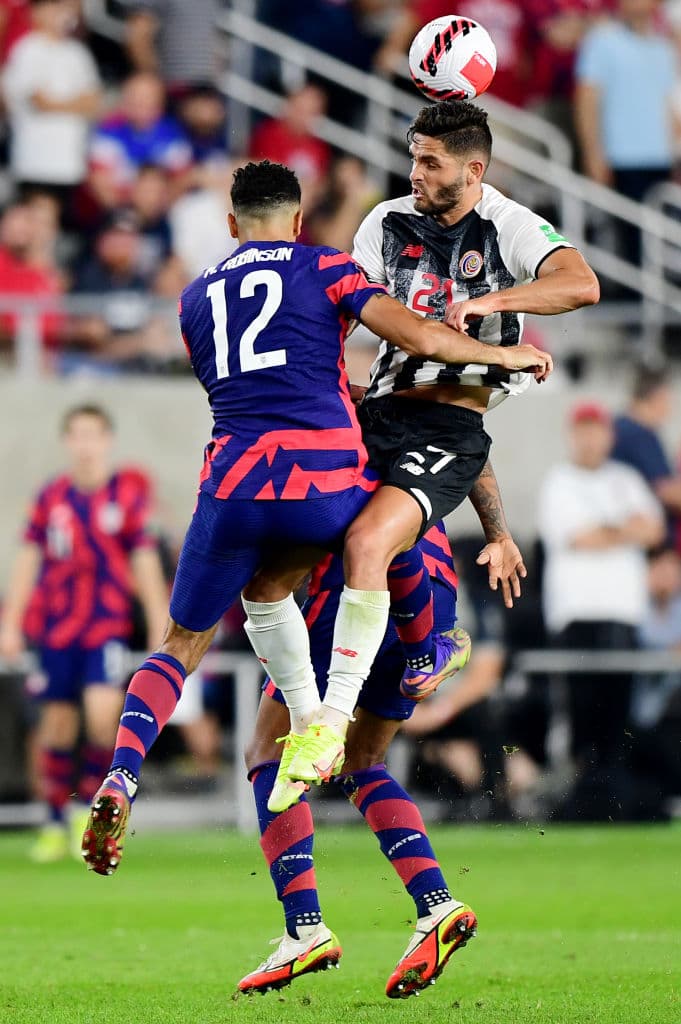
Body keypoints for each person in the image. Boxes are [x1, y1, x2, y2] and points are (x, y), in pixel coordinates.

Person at [80, 159, 550, 875]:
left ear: (231, 224)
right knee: (384, 527)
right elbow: (423, 339)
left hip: (232, 482)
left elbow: (233, 380)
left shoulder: (194, 296)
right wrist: (502, 353)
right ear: (298, 222)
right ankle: (406, 660)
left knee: (183, 640)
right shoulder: (327, 267)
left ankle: (122, 770)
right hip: (323, 477)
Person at [248, 99, 597, 790]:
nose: (415, 172)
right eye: (413, 157)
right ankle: (413, 653)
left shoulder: (506, 224)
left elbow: (580, 284)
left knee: (369, 542)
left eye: (431, 162)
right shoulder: (385, 221)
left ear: (473, 171)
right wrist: (497, 532)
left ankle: (329, 722)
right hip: (377, 415)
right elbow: (342, 311)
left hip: (447, 427)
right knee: (268, 574)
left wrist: (493, 304)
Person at [239, 522, 477, 999]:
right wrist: (500, 534)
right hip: (431, 595)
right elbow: (469, 468)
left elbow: (318, 506)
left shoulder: (340, 461)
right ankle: (436, 905)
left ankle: (304, 929)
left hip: (355, 587)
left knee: (269, 750)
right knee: (363, 761)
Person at [0, 405, 168, 862]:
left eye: (93, 434)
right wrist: (11, 621)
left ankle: (85, 813)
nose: (86, 444)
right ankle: (55, 821)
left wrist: (160, 621)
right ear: (68, 441)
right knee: (56, 725)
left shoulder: (125, 496)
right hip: (56, 629)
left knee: (100, 715)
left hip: (106, 625)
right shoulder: (51, 497)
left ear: (106, 440)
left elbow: (144, 561)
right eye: (77, 435)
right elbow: (28, 560)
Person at [538, 400, 664, 779]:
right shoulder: (559, 482)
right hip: (576, 613)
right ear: (572, 436)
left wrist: (605, 530)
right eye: (584, 432)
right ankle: (583, 787)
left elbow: (654, 530)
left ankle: (612, 788)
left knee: (618, 712)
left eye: (597, 432)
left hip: (623, 612)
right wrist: (626, 529)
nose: (591, 440)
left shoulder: (627, 479)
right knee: (580, 712)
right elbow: (579, 538)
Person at [574, 0, 678, 262]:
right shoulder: (601, 40)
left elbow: (667, 105)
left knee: (658, 247)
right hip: (620, 158)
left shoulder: (662, 48)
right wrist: (593, 153)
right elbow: (587, 99)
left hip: (660, 159)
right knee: (630, 248)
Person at [2, 0, 101, 206]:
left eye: (62, 8)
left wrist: (58, 104)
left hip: (72, 162)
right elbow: (40, 102)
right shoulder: (26, 50)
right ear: (35, 13)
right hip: (34, 162)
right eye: (52, 8)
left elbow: (93, 102)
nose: (59, 14)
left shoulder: (78, 53)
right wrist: (75, 104)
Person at [611, 364, 681, 548]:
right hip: (641, 538)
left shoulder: (620, 426)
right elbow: (665, 490)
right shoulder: (638, 432)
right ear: (657, 397)